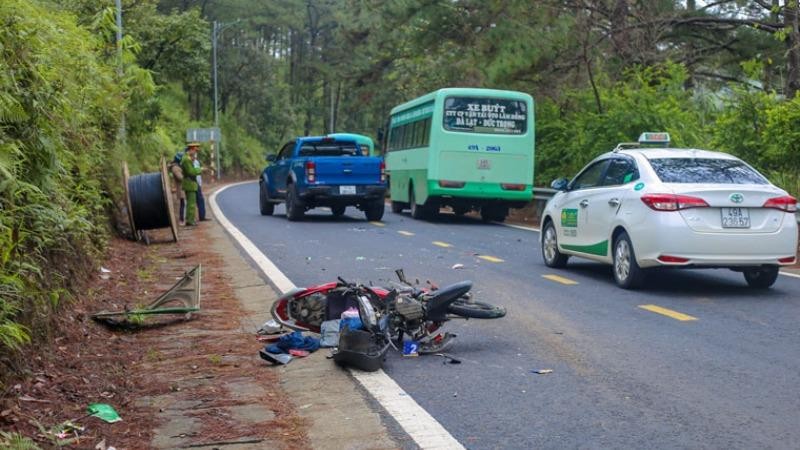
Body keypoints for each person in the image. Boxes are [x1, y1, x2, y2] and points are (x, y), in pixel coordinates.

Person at [181, 143, 203, 226]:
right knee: (191, 204)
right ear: (191, 149)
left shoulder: (188, 159)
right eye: (195, 151)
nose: (195, 153)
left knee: (191, 203)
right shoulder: (186, 159)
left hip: (191, 184)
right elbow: (191, 172)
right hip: (189, 184)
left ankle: (190, 219)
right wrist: (200, 170)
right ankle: (190, 221)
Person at [169, 151, 186, 225]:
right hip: (181, 188)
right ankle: (181, 220)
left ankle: (183, 219)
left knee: (183, 204)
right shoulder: (175, 168)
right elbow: (180, 178)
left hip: (183, 187)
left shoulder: (177, 166)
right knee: (182, 204)